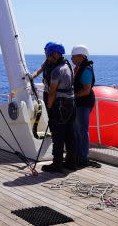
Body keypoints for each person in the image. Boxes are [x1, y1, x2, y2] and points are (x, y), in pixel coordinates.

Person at [39, 42, 76, 172]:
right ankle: (71, 162)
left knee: (58, 134)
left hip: (59, 105)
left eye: (49, 55)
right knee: (70, 134)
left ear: (55, 54)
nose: (47, 57)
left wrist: (49, 107)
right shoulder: (67, 65)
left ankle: (57, 163)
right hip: (71, 103)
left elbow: (52, 92)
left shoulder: (56, 70)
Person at [71, 45, 95, 168]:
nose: (71, 58)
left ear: (81, 56)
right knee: (76, 130)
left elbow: (86, 90)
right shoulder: (78, 68)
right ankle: (77, 155)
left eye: (73, 56)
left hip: (84, 103)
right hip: (78, 103)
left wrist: (72, 96)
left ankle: (83, 157)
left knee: (82, 130)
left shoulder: (86, 70)